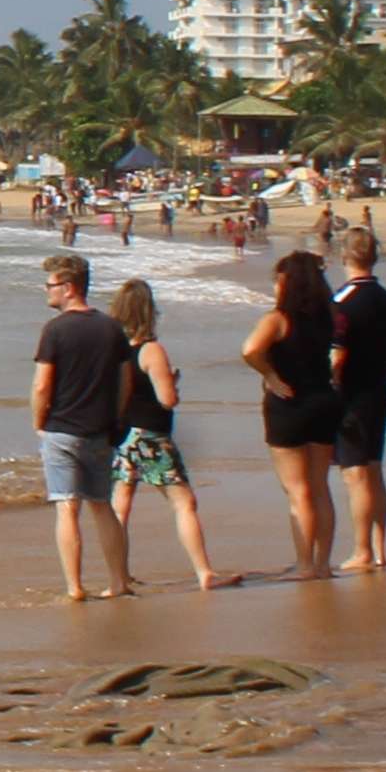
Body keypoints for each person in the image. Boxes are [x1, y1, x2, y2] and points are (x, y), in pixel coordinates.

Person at [105, 275, 226, 588]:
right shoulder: (150, 351)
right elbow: (167, 400)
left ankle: (120, 575)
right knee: (183, 502)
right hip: (151, 435)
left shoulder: (114, 352)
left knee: (120, 505)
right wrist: (172, 384)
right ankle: (204, 572)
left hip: (122, 436)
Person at [29, 252, 133, 601]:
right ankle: (119, 581)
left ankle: (75, 586)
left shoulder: (55, 330)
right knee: (102, 505)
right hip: (100, 429)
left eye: (51, 285)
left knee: (67, 506)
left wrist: (38, 422)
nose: (47, 291)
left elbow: (43, 385)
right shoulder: (110, 327)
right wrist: (116, 417)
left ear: (69, 288)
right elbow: (125, 380)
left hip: (62, 428)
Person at [242, 245, 342, 582]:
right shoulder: (329, 315)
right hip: (324, 401)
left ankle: (304, 565)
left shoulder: (277, 319)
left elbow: (249, 350)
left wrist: (269, 375)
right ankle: (323, 563)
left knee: (298, 491)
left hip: (289, 404)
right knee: (320, 487)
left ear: (288, 283)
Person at [331, 228, 386, 572]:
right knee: (374, 471)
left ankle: (361, 550)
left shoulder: (343, 300)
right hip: (379, 390)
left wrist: (330, 387)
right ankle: (379, 548)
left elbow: (337, 354)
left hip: (352, 396)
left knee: (356, 475)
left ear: (345, 255)